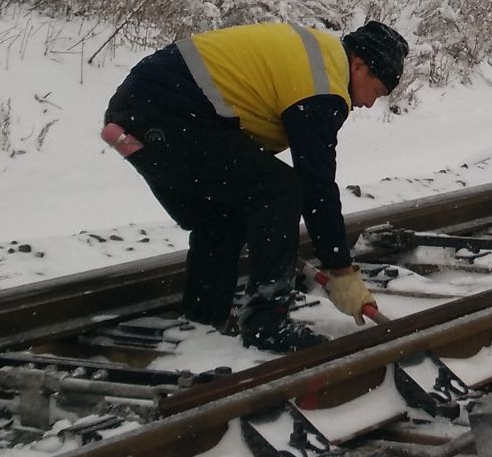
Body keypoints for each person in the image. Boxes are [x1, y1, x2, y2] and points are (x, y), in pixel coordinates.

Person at [103, 20, 407, 350]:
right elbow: (315, 185)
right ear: (359, 65)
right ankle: (267, 320)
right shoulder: (323, 83)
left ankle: (203, 319)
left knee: (223, 216)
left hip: (134, 116)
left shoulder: (316, 58)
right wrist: (341, 270)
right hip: (167, 115)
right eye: (376, 91)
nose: (369, 103)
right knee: (280, 189)